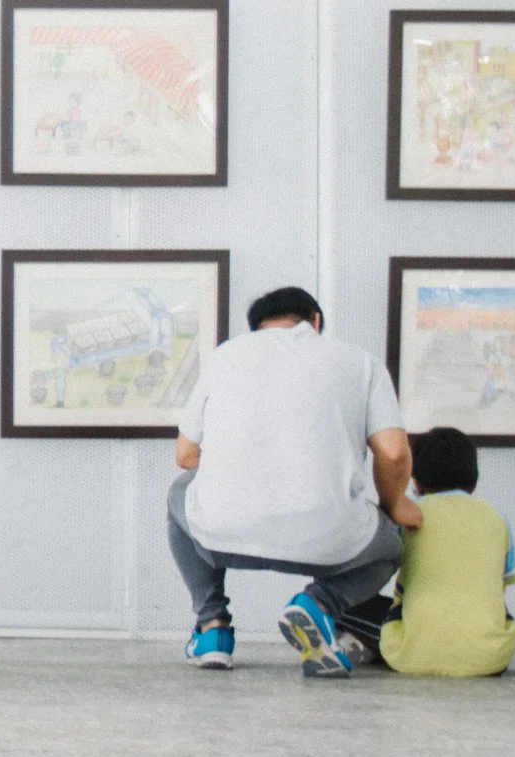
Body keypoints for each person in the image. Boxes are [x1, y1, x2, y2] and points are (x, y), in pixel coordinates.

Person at [167, 286, 417, 679]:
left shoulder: (226, 356)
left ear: (257, 329)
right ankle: (319, 604)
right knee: (390, 546)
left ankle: (211, 628)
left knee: (179, 493)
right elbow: (395, 453)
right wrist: (394, 505)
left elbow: (185, 455)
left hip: (222, 535)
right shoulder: (360, 362)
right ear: (315, 320)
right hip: (329, 541)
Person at [341, 427, 515, 677]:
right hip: (491, 658)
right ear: (473, 479)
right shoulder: (496, 517)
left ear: (415, 481)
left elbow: (370, 568)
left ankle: (363, 644)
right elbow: (507, 578)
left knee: (341, 604)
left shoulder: (409, 516)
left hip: (412, 655)